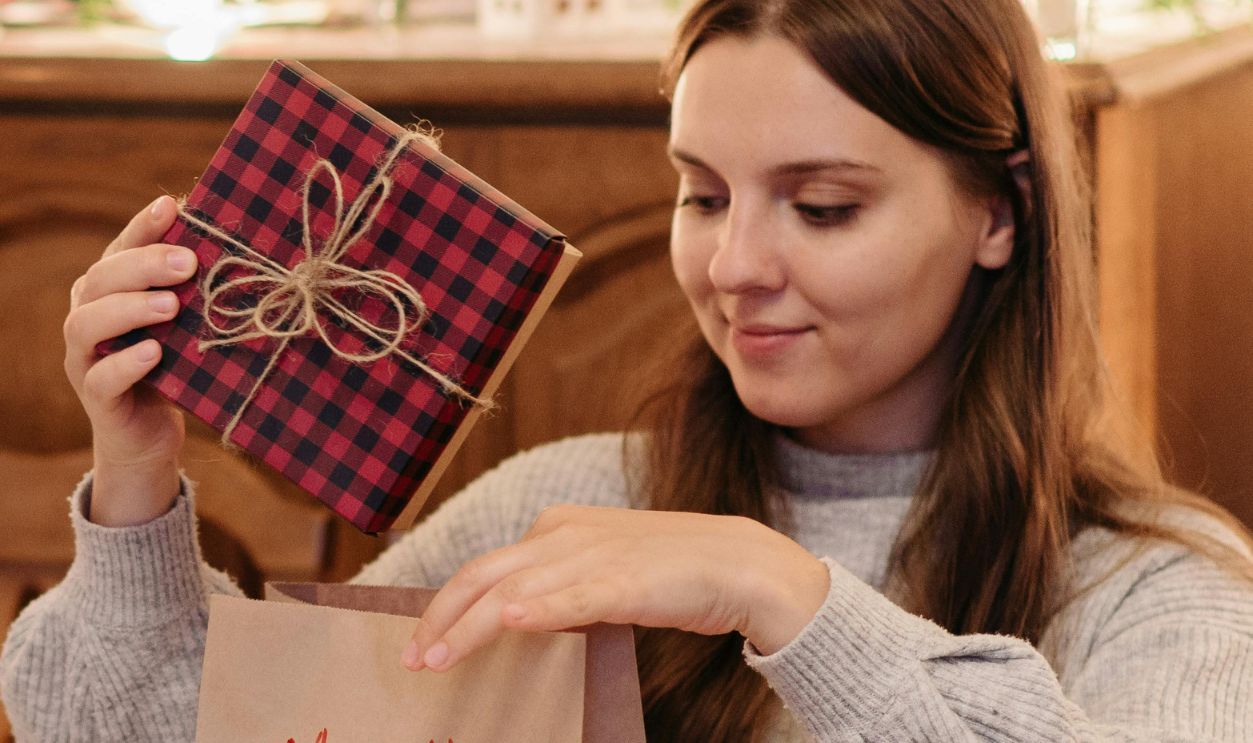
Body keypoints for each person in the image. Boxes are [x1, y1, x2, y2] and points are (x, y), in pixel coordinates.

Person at [4, 0, 1253, 740]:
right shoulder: (552, 515)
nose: (735, 264)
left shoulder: (1159, 593)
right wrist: (133, 485)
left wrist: (782, 593)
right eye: (701, 194)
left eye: (819, 207)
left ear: (999, 214)